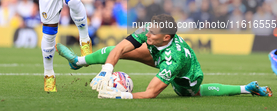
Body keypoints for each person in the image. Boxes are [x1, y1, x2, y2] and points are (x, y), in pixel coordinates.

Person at [56, 14, 273, 99]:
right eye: (148, 30)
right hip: (160, 55)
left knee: (193, 94)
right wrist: (107, 70)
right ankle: (78, 62)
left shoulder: (174, 59)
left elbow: (151, 93)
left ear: (166, 36)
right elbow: (121, 47)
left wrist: (118, 96)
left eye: (152, 33)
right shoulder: (151, 33)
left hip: (187, 76)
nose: (146, 34)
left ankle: (246, 88)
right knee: (118, 50)